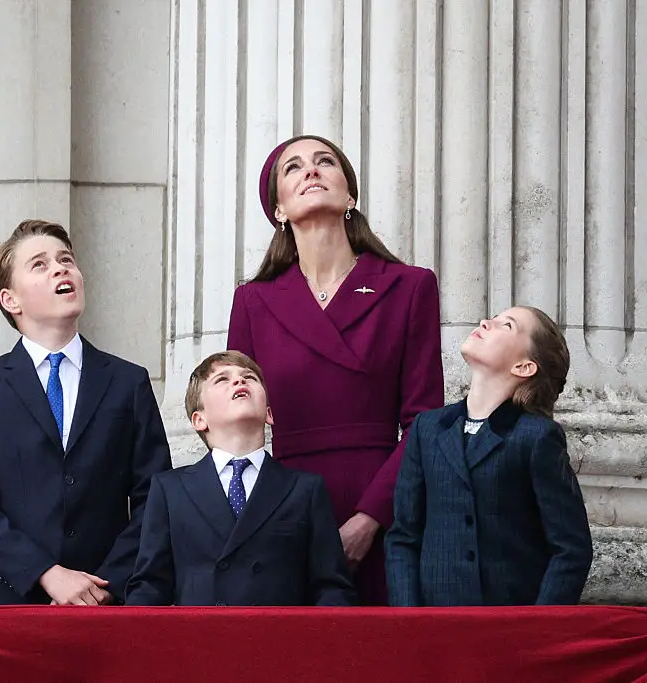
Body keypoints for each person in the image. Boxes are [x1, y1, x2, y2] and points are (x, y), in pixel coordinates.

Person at [226, 134, 444, 605]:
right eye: (293, 167)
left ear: (349, 195)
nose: (311, 170)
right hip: (285, 507)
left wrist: (371, 519)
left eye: (325, 161)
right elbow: (232, 423)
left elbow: (424, 423)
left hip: (383, 498)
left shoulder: (409, 287)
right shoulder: (253, 301)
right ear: (278, 208)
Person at [0, 219, 172, 606]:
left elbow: (155, 498)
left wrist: (102, 585)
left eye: (66, 259)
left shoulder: (127, 382)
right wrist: (46, 574)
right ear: (10, 300)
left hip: (108, 600)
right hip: (12, 598)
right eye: (39, 264)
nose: (60, 268)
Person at [386, 307, 593, 606]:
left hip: (510, 631)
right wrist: (409, 620)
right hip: (434, 627)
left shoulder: (536, 437)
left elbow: (571, 549)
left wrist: (538, 630)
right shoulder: (427, 429)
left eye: (505, 325)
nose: (485, 322)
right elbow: (403, 537)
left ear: (524, 367)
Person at [125, 351, 355, 607]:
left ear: (269, 413)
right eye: (222, 379)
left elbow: (331, 588)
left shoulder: (305, 489)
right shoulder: (170, 490)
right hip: (199, 643)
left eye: (250, 377)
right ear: (199, 419)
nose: (239, 381)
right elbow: (150, 586)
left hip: (280, 643)